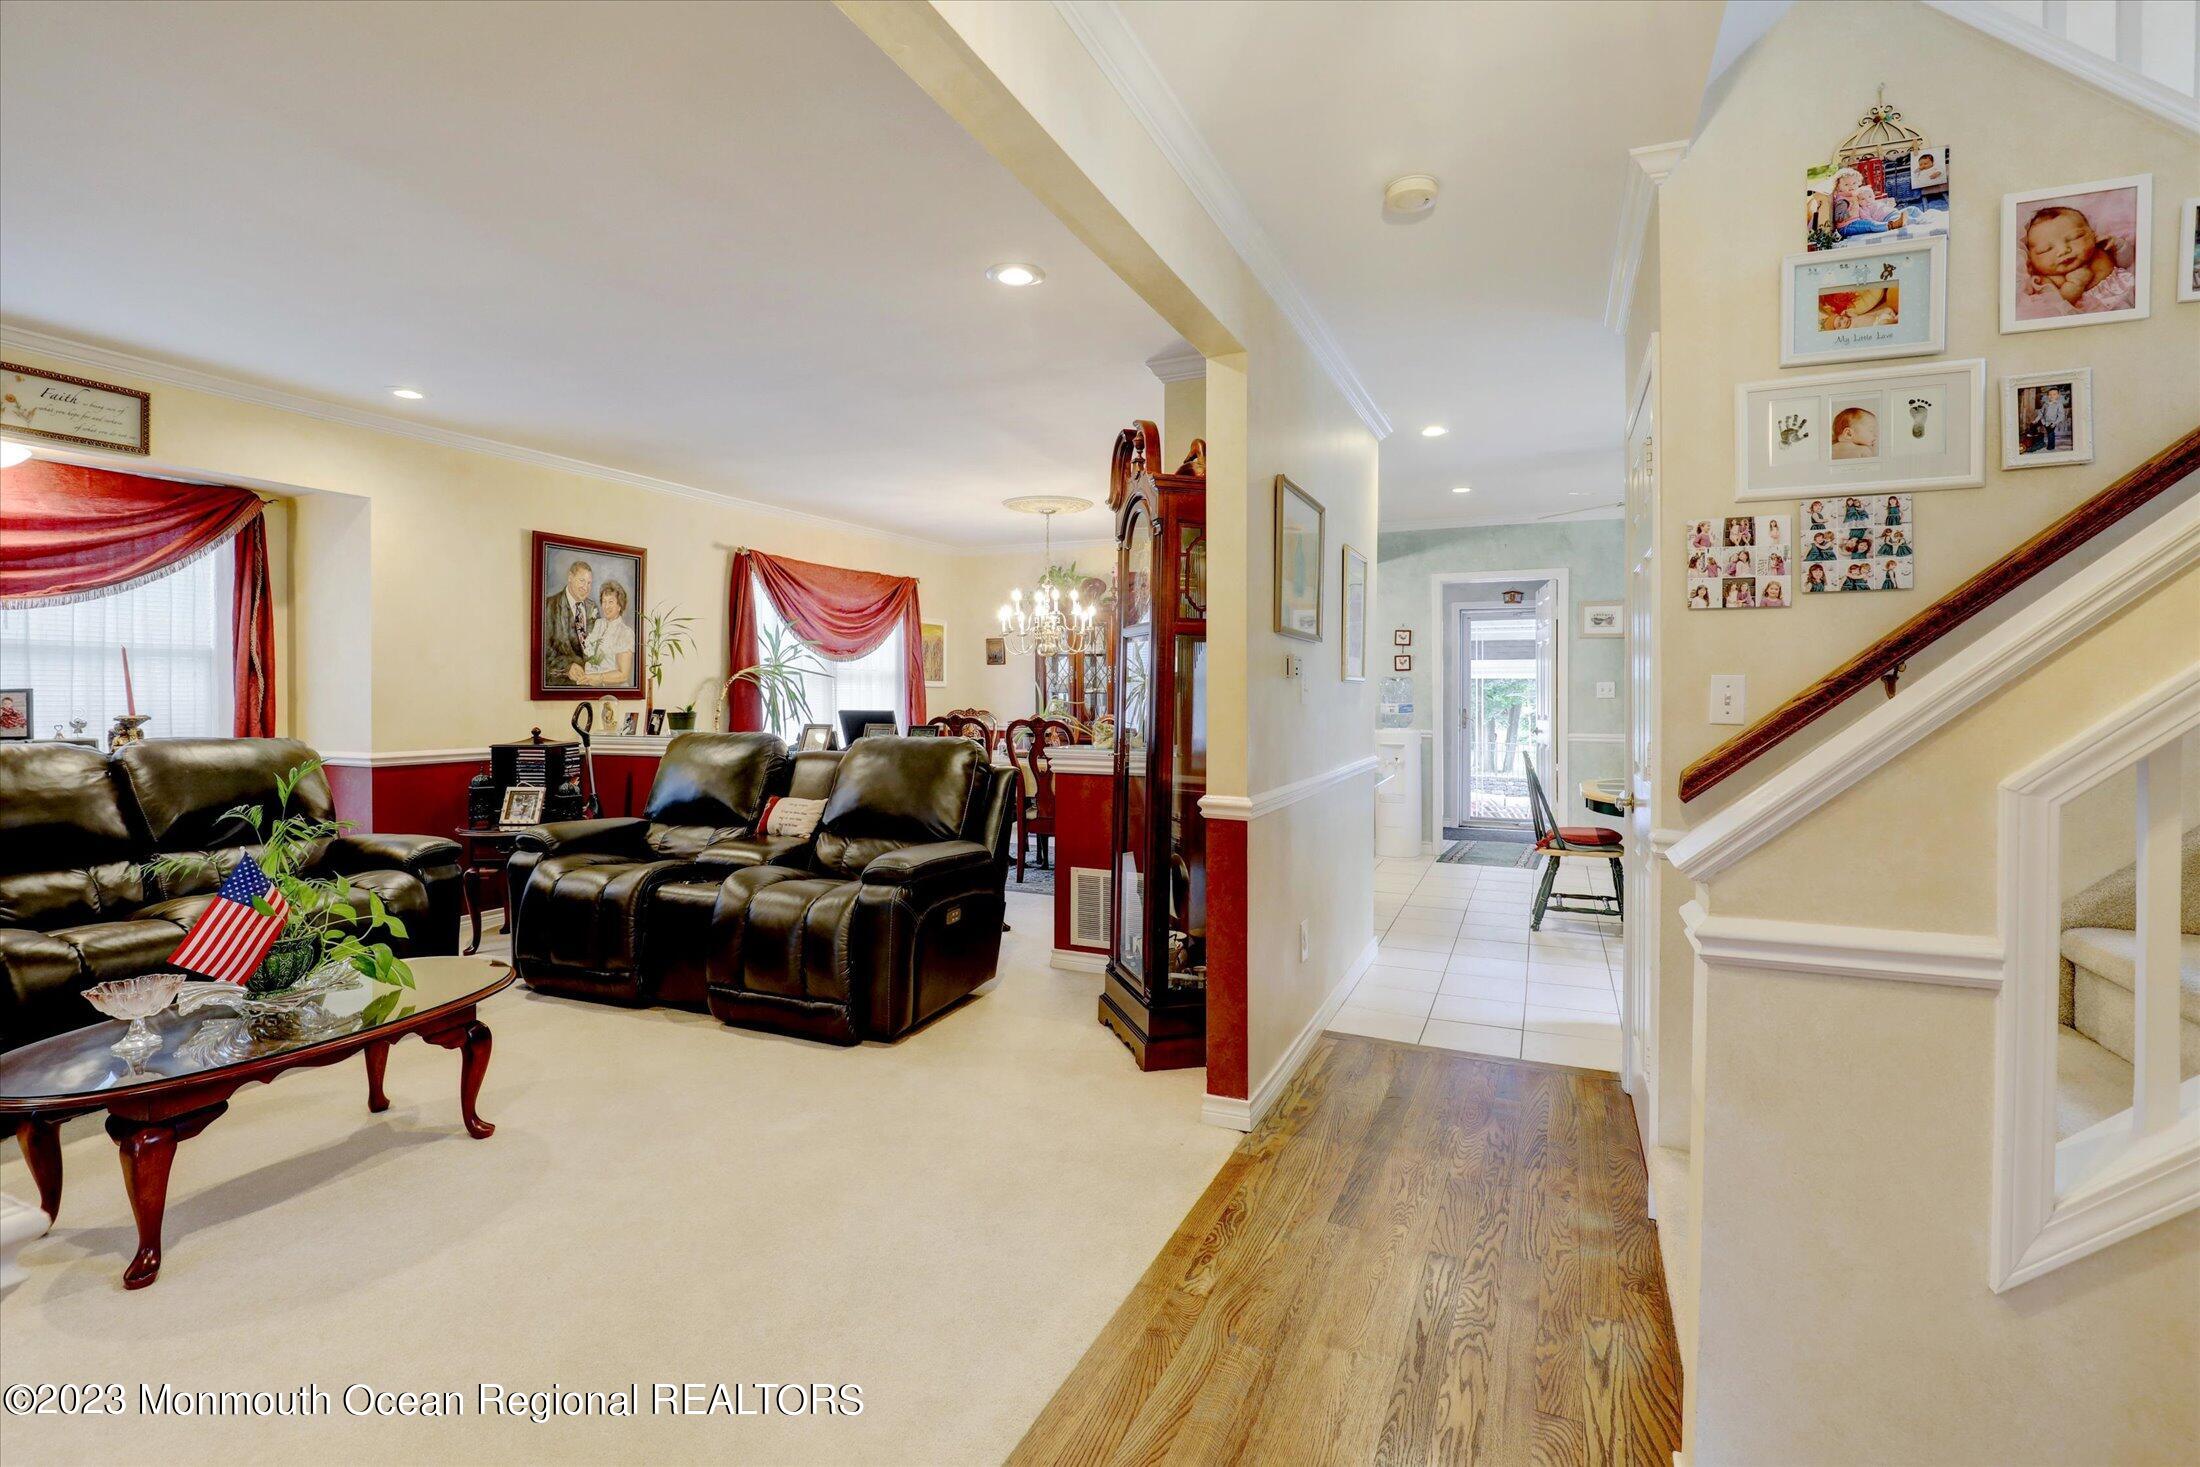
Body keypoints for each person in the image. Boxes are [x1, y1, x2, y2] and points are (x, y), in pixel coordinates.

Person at [2020, 204, 2137, 315]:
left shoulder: (2099, 250)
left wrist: (2118, 246)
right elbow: (2056, 308)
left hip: (2134, 293)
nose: (2064, 250)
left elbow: (2128, 262)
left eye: (2075, 237)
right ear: (2031, 260)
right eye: (2045, 249)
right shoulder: (2045, 281)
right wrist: (2075, 285)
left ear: (2092, 234)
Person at [542, 558, 598, 688]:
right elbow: (542, 652)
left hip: (589, 686)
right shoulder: (548, 606)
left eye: (589, 583)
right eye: (582, 581)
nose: (586, 587)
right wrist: (567, 667)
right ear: (570, 577)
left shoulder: (592, 607)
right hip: (560, 686)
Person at [571, 580, 634, 687]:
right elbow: (590, 654)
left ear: (620, 606)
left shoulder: (625, 633)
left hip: (614, 690)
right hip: (591, 685)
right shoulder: (599, 623)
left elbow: (623, 675)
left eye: (611, 602)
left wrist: (599, 677)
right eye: (604, 602)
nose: (606, 606)